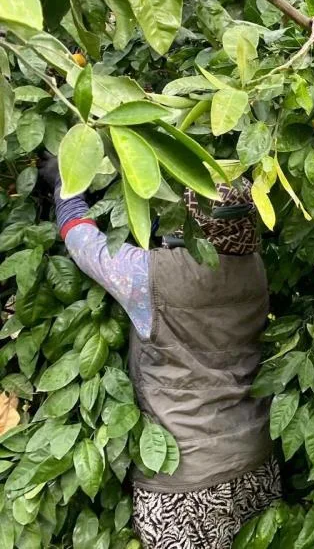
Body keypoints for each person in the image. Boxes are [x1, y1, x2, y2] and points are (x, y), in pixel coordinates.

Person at [41, 161, 279, 549]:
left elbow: (84, 244)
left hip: (186, 484)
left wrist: (67, 182)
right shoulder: (254, 268)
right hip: (254, 458)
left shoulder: (151, 277)